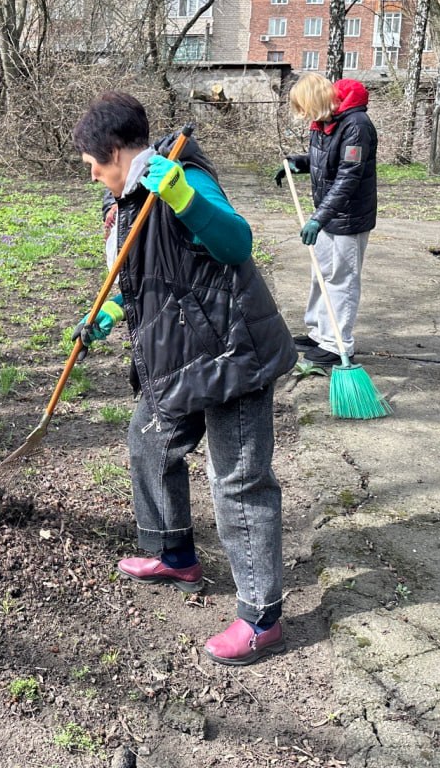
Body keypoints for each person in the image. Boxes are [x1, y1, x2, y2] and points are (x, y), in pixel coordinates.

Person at [71, 91, 297, 666]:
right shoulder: (125, 203)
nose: (91, 174)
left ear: (117, 151)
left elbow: (237, 243)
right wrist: (109, 313)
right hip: (179, 358)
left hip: (232, 355)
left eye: (93, 163)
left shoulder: (182, 178)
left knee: (239, 480)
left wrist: (184, 198)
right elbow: (141, 281)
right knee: (149, 442)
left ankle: (261, 617)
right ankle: (173, 553)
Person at [274, 73, 378, 367]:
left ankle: (337, 344)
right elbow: (325, 160)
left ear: (316, 101)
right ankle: (320, 334)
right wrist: (299, 163)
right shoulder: (324, 123)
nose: (305, 115)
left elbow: (348, 177)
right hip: (328, 213)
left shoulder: (357, 125)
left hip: (348, 217)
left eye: (305, 108)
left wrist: (318, 219)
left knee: (341, 279)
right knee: (320, 275)